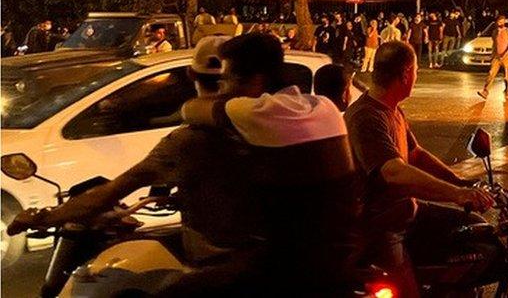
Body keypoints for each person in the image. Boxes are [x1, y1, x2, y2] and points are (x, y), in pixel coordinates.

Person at [7, 37, 267, 295]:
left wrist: (42, 217)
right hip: (260, 257)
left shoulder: (188, 140)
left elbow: (106, 194)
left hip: (224, 267)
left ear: (191, 74)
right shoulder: (267, 128)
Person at [181, 34, 361, 294]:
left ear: (255, 81)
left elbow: (191, 109)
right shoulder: (324, 107)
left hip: (292, 271)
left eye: (227, 78)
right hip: (342, 258)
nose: (223, 88)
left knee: (179, 289)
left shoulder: (256, 112)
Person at [344, 42, 493, 298]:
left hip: (407, 211)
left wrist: (460, 182)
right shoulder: (366, 116)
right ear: (405, 74)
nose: (416, 77)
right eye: (415, 71)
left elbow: (416, 154)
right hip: (382, 224)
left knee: (475, 233)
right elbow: (393, 171)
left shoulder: (392, 109)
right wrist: (455, 194)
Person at [478, 14, 508, 99]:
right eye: (498, 21)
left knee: (507, 76)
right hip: (496, 57)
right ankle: (485, 91)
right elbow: (494, 44)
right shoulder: (494, 32)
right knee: (491, 73)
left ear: (504, 21)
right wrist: (493, 55)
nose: (500, 23)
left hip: (506, 57)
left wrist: (507, 53)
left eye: (501, 21)